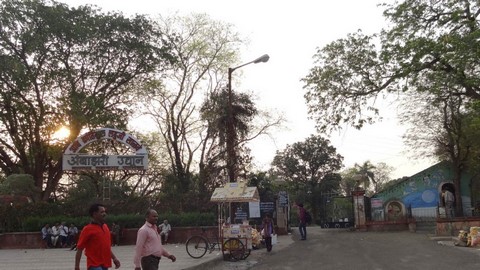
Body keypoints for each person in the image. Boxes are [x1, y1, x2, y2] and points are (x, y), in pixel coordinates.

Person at [74, 203, 121, 270]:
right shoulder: (87, 229)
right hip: (94, 264)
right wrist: (77, 267)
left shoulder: (105, 227)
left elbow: (106, 247)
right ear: (94, 214)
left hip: (105, 264)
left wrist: (114, 258)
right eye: (102, 212)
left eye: (105, 212)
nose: (104, 214)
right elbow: (80, 249)